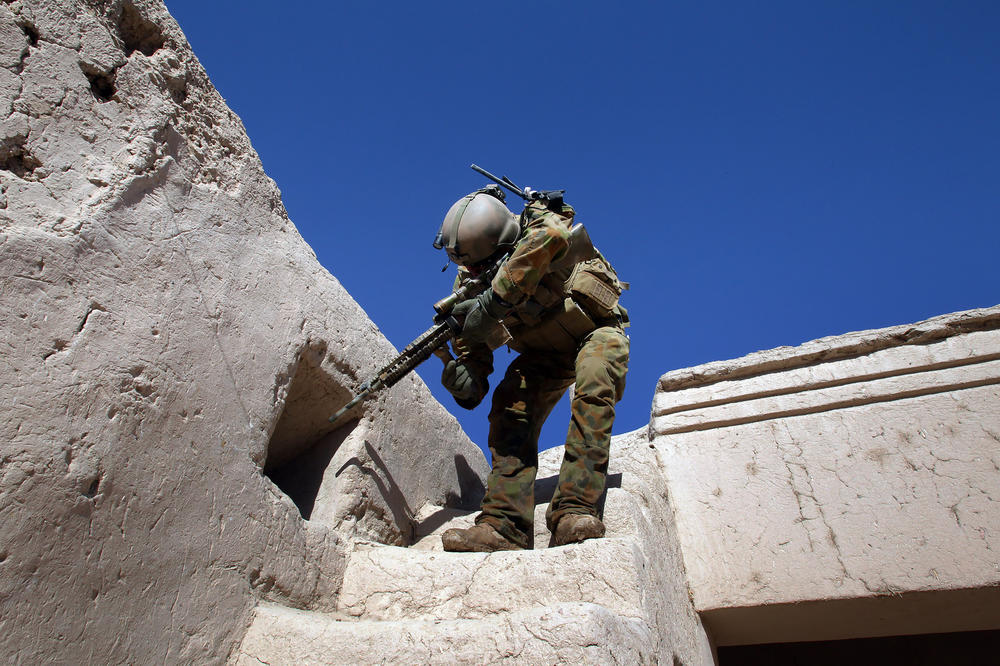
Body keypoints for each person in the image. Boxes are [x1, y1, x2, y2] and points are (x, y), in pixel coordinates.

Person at [434, 184, 630, 552]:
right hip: (542, 355)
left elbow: (555, 233)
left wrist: (493, 303)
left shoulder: (536, 223)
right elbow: (474, 379)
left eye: (478, 262)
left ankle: (574, 510)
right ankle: (504, 525)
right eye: (466, 265)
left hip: (594, 329)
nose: (472, 270)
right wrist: (461, 379)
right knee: (510, 407)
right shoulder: (470, 287)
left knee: (594, 384)